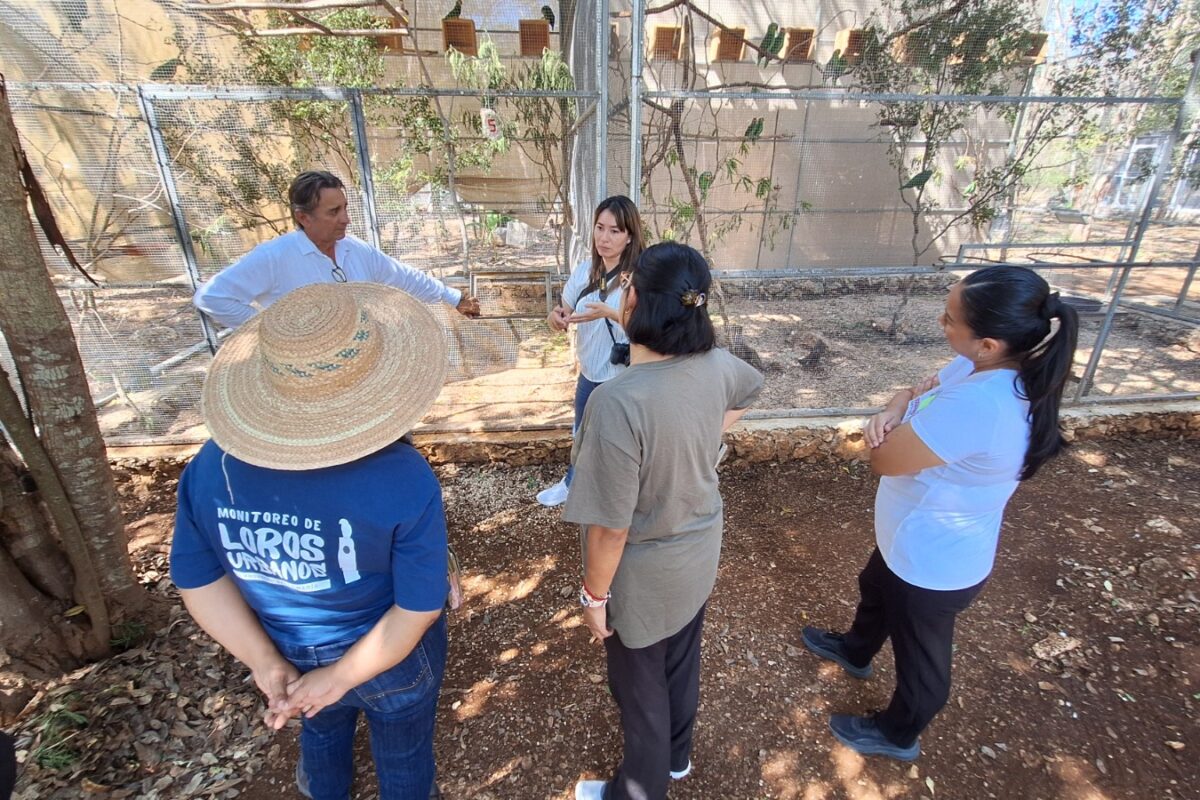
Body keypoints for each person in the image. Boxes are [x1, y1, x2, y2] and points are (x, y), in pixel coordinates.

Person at [170, 282, 452, 799]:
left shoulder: (212, 467)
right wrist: (342, 675)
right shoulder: (403, 476)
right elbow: (418, 609)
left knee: (320, 728)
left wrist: (266, 663)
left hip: (287, 650)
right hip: (390, 656)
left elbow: (198, 580)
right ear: (384, 382)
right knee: (404, 752)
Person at [802, 265, 1079, 761]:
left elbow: (883, 460)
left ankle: (897, 732)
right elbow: (912, 392)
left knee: (922, 663)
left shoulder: (981, 404)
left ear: (989, 343)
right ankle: (855, 649)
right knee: (876, 589)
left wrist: (891, 419)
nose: (940, 323)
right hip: (910, 541)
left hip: (933, 565)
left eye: (951, 319)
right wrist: (896, 408)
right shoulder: (976, 369)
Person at [563, 242, 764, 800]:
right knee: (679, 659)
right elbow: (753, 384)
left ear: (637, 301)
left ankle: (639, 790)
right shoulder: (713, 365)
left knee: (638, 689)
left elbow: (610, 528)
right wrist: (704, 433)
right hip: (699, 553)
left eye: (627, 285)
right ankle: (677, 756)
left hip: (643, 577)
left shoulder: (618, 402)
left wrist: (593, 597)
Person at [193, 170, 481, 329]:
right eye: (333, 211)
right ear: (303, 217)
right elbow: (211, 297)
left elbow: (402, 276)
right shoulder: (275, 257)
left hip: (362, 359)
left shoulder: (354, 248)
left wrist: (452, 297)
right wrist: (271, 332)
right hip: (309, 375)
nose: (345, 218)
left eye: (345, 208)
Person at [536, 195, 645, 507]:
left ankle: (625, 496)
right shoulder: (584, 271)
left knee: (624, 441)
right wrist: (555, 319)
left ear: (629, 237)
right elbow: (561, 310)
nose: (604, 238)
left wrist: (610, 314)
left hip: (626, 376)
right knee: (581, 435)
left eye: (614, 231)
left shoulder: (638, 280)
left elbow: (650, 330)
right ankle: (572, 484)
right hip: (590, 372)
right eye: (600, 227)